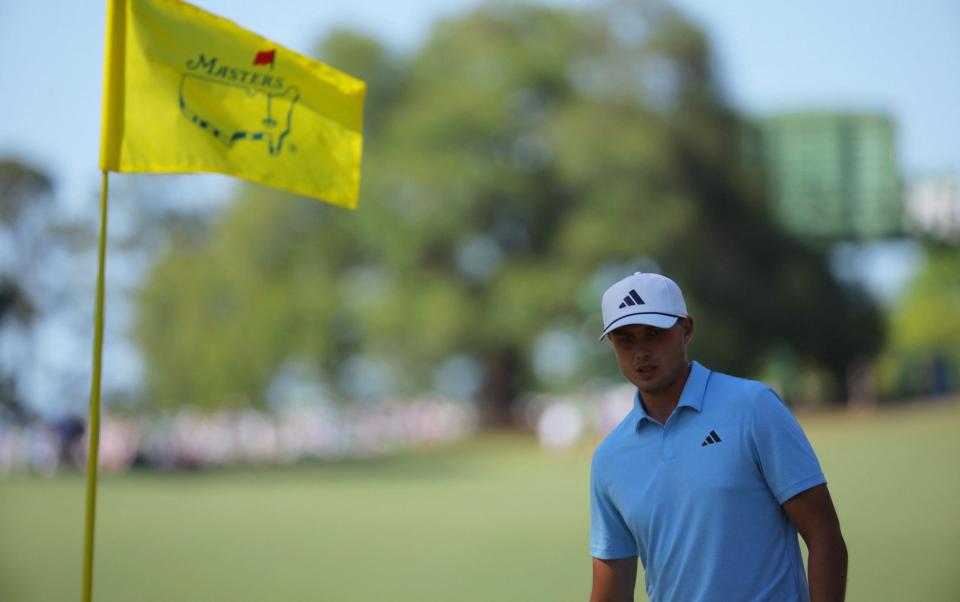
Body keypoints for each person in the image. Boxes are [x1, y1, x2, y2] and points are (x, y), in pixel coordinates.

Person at [589, 272, 847, 602]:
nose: (641, 351)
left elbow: (824, 535)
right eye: (625, 339)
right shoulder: (610, 458)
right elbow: (612, 591)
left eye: (654, 333)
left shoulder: (754, 407)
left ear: (686, 329)